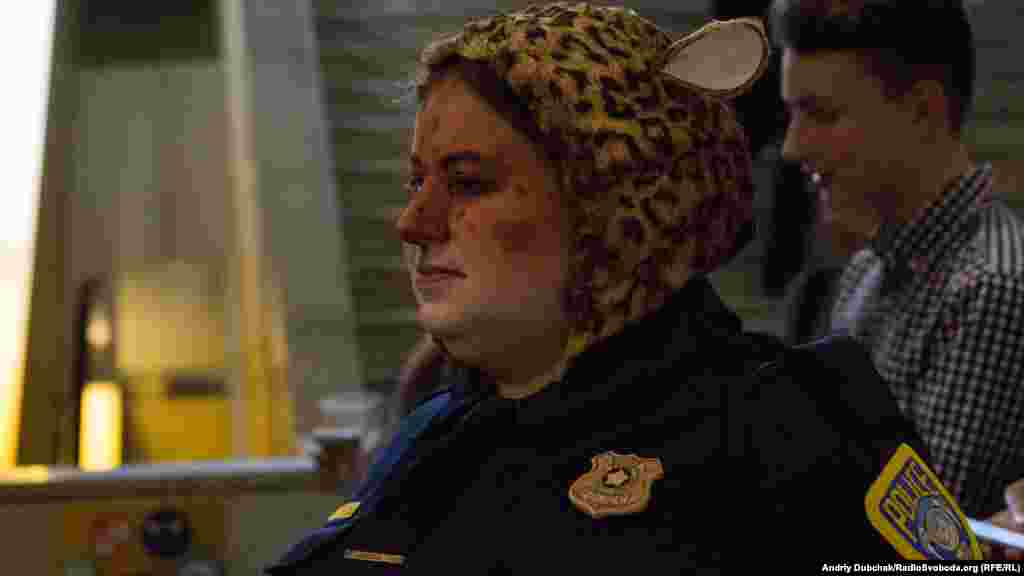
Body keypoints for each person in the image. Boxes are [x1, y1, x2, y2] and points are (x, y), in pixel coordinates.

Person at [266, 4, 960, 572]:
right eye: (416, 181)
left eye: (469, 183)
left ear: (617, 206)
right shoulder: (434, 432)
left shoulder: (792, 432)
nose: (413, 222)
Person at [772, 0, 1024, 518]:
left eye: (821, 114)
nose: (792, 147)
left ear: (923, 110)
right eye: (792, 114)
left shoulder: (991, 287)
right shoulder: (868, 265)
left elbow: (921, 537)